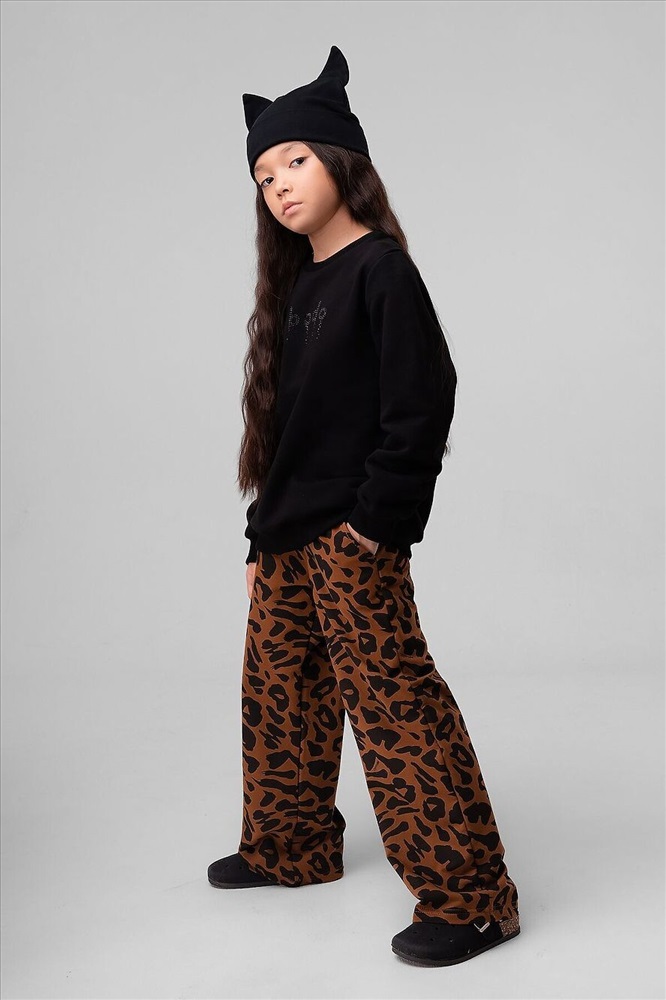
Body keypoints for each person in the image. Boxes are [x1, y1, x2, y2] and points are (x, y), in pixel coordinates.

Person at [208, 44, 521, 968]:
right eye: (263, 175)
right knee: (281, 693)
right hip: (286, 535)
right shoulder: (296, 285)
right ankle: (292, 847)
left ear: (343, 160)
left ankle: (473, 901)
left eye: (294, 159)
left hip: (354, 535)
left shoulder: (381, 270)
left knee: (393, 705)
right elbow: (290, 427)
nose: (278, 184)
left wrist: (378, 525)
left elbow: (424, 399)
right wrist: (263, 531)